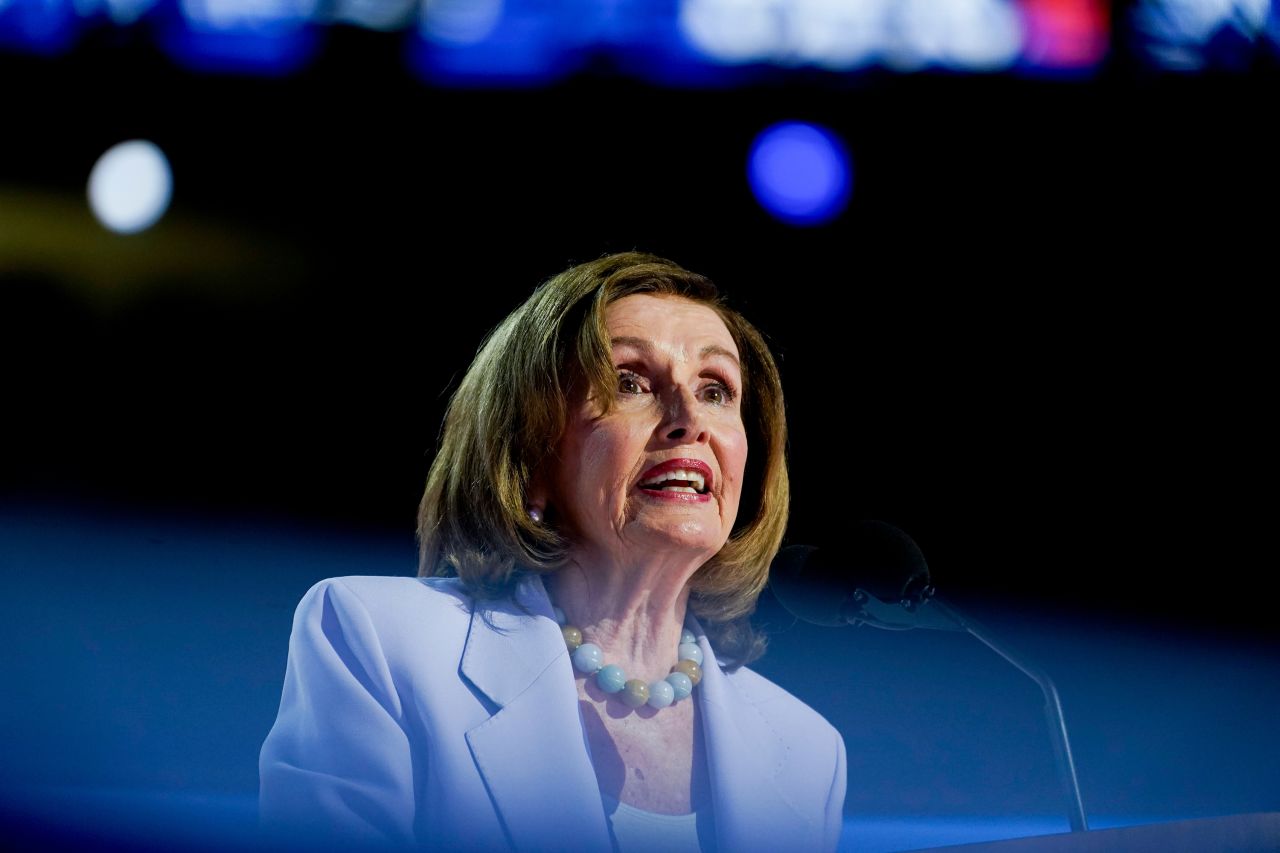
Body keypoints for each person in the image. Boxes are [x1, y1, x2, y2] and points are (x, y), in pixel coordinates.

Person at [259, 252, 846, 852]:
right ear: (530, 450)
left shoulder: (806, 752)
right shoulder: (380, 641)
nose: (689, 419)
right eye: (630, 383)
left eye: (716, 390)